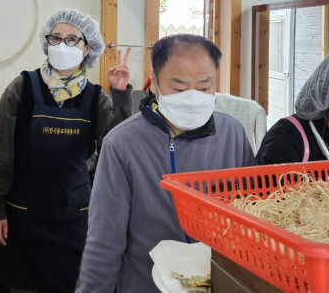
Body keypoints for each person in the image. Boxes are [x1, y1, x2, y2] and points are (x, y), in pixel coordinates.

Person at [76, 34, 257, 293]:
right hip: (146, 285)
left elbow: (254, 214)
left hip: (220, 282)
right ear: (154, 82)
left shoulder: (232, 133)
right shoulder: (123, 143)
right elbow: (104, 239)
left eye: (204, 88)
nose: (193, 98)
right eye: (180, 89)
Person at [0, 8, 132, 293]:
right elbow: (0, 154)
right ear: (47, 42)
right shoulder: (22, 88)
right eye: (56, 38)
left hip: (74, 220)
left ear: (87, 48)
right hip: (22, 218)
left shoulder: (96, 98)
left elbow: (118, 147)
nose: (63, 45)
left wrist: (120, 94)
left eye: (72, 39)